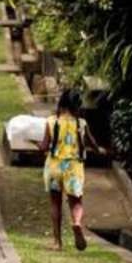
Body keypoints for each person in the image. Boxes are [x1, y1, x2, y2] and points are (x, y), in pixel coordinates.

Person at [38, 89, 104, 252]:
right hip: (73, 168)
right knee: (76, 202)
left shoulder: (52, 121)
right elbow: (92, 144)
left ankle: (57, 242)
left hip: (54, 167)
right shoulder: (81, 124)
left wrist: (38, 145)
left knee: (55, 203)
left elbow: (44, 146)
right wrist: (99, 150)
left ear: (62, 103)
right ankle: (77, 222)